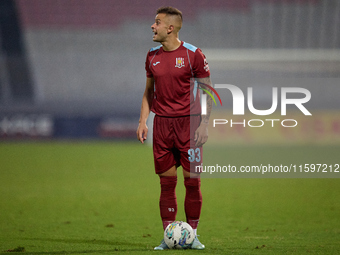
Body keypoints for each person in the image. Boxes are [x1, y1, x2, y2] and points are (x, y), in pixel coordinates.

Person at [136, 6, 213, 250]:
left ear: (170, 28)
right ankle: (169, 236)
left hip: (189, 126)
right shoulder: (151, 55)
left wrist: (204, 123)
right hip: (162, 127)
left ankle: (194, 235)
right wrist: (142, 120)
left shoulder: (193, 55)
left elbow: (207, 91)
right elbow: (149, 92)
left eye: (157, 22)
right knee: (166, 184)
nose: (152, 26)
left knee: (192, 183)